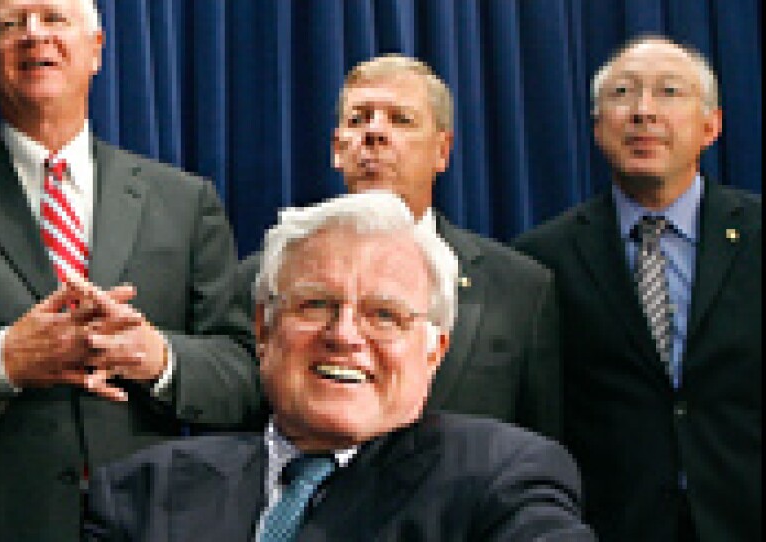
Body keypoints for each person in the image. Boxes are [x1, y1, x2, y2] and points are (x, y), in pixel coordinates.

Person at [0, 0, 263, 540]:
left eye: (53, 18)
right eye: (11, 24)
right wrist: (3, 361)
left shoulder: (185, 200)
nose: (34, 35)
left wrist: (159, 358)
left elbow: (243, 376)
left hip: (152, 517)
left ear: (96, 50)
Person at [83, 191, 594, 541]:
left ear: (434, 352)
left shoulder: (500, 480)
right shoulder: (142, 492)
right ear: (263, 328)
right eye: (315, 305)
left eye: (385, 315)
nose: (344, 335)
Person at [234, 54, 562, 439]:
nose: (374, 132)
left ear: (442, 150)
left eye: (400, 119)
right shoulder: (262, 276)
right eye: (359, 119)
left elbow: (542, 446)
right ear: (337, 149)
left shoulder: (520, 288)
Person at [513, 35, 761, 542]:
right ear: (597, 126)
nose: (643, 112)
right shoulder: (542, 258)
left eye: (669, 92)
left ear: (711, 125)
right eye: (623, 93)